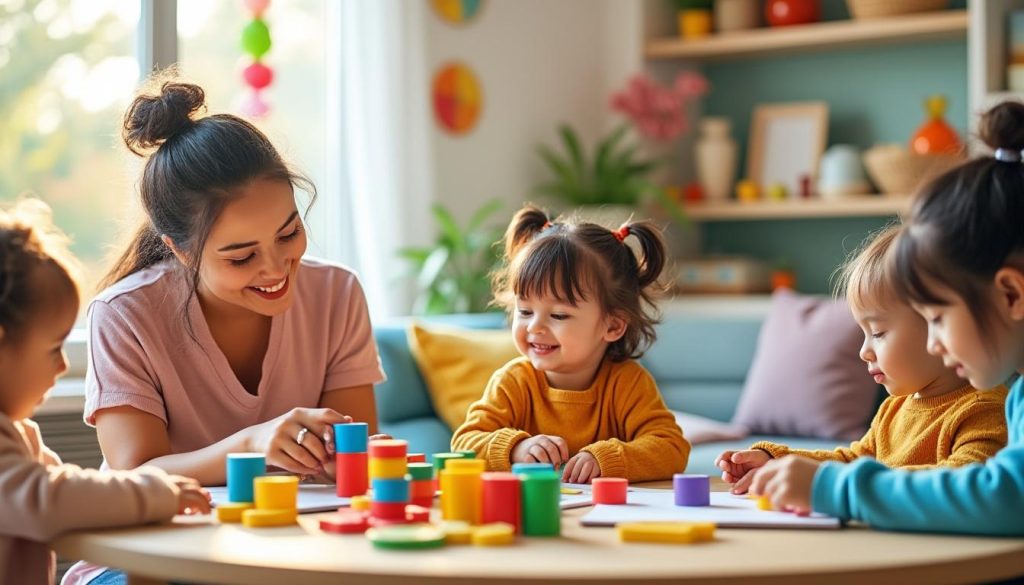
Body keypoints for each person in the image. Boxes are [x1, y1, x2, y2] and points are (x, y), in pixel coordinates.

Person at [63, 77, 385, 583]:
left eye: (289, 233)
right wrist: (253, 445)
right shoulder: (125, 314)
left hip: (290, 550)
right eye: (241, 256)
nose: (277, 268)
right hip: (150, 556)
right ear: (181, 249)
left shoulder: (337, 294)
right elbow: (133, 473)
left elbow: (355, 456)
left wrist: (340, 455)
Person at [749, 101, 1024, 536]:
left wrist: (840, 490)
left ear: (1010, 294)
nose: (934, 342)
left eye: (936, 316)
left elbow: (1006, 496)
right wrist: (789, 464)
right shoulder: (1015, 395)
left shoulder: (992, 407)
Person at [0, 198, 209, 585]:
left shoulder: (19, 434)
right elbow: (47, 499)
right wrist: (153, 492)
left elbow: (77, 490)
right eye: (52, 349)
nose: (62, 366)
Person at [717, 227, 1007, 494]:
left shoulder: (984, 409)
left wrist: (835, 485)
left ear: (937, 322)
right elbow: (853, 461)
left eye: (878, 333)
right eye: (864, 334)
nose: (864, 352)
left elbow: (965, 483)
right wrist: (776, 461)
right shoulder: (894, 409)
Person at [451, 206, 688, 484]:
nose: (534, 327)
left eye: (559, 315)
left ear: (612, 326)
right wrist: (516, 448)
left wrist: (606, 459)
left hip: (605, 518)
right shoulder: (513, 382)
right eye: (525, 311)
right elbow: (464, 444)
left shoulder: (628, 383)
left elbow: (671, 448)